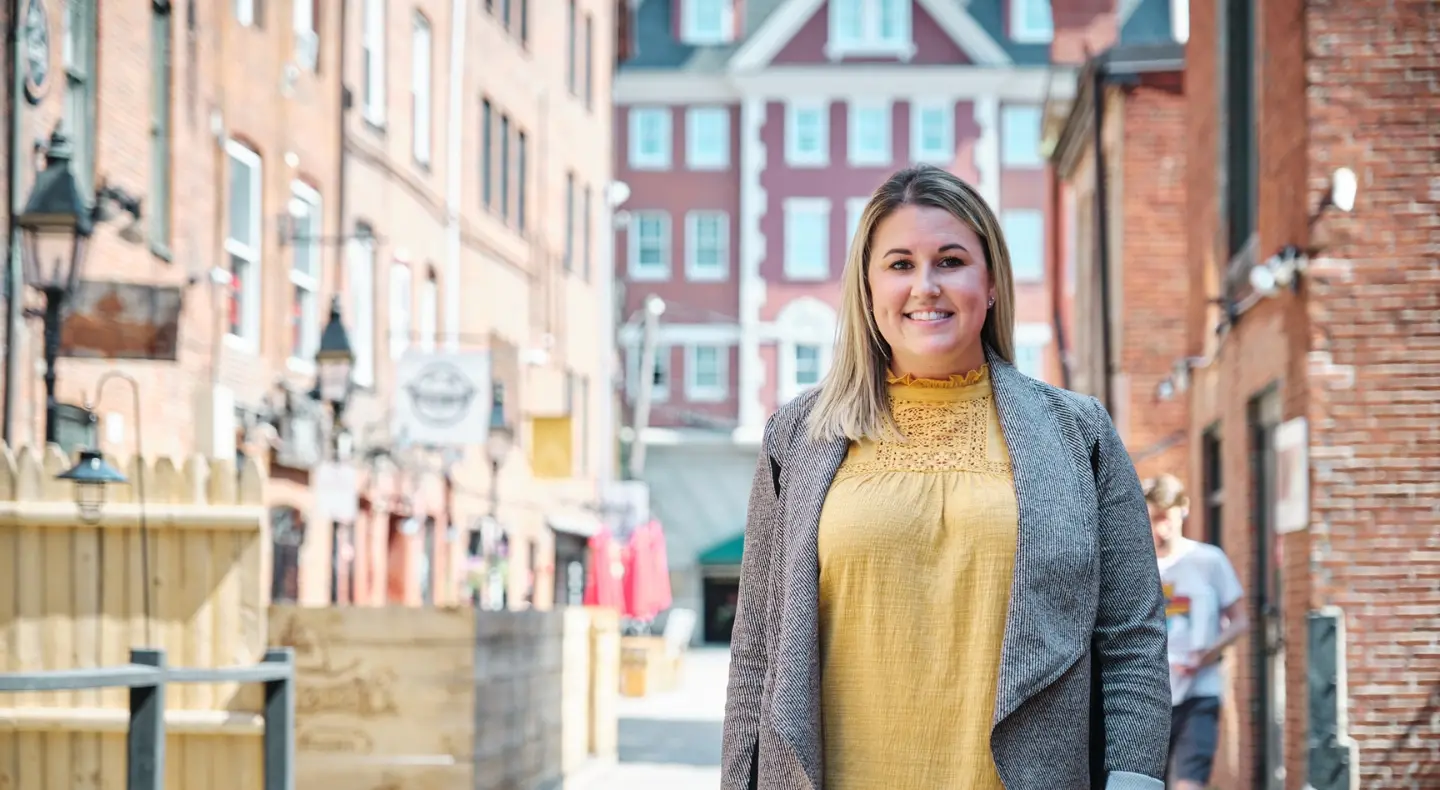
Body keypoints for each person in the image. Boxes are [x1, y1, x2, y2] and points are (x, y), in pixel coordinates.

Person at [720, 164, 1171, 790]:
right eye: (900, 264)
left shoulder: (1079, 433)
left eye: (950, 261)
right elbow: (757, 650)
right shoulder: (797, 438)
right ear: (868, 288)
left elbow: (1131, 634)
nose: (925, 286)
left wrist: (1136, 777)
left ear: (989, 285)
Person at [1145, 474, 1247, 790]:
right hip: (1152, 694)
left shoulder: (1208, 560)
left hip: (1200, 689)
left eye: (1166, 517)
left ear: (1183, 509)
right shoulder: (1139, 564)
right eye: (1153, 518)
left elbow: (1240, 620)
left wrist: (1210, 653)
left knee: (1189, 784)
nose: (1160, 527)